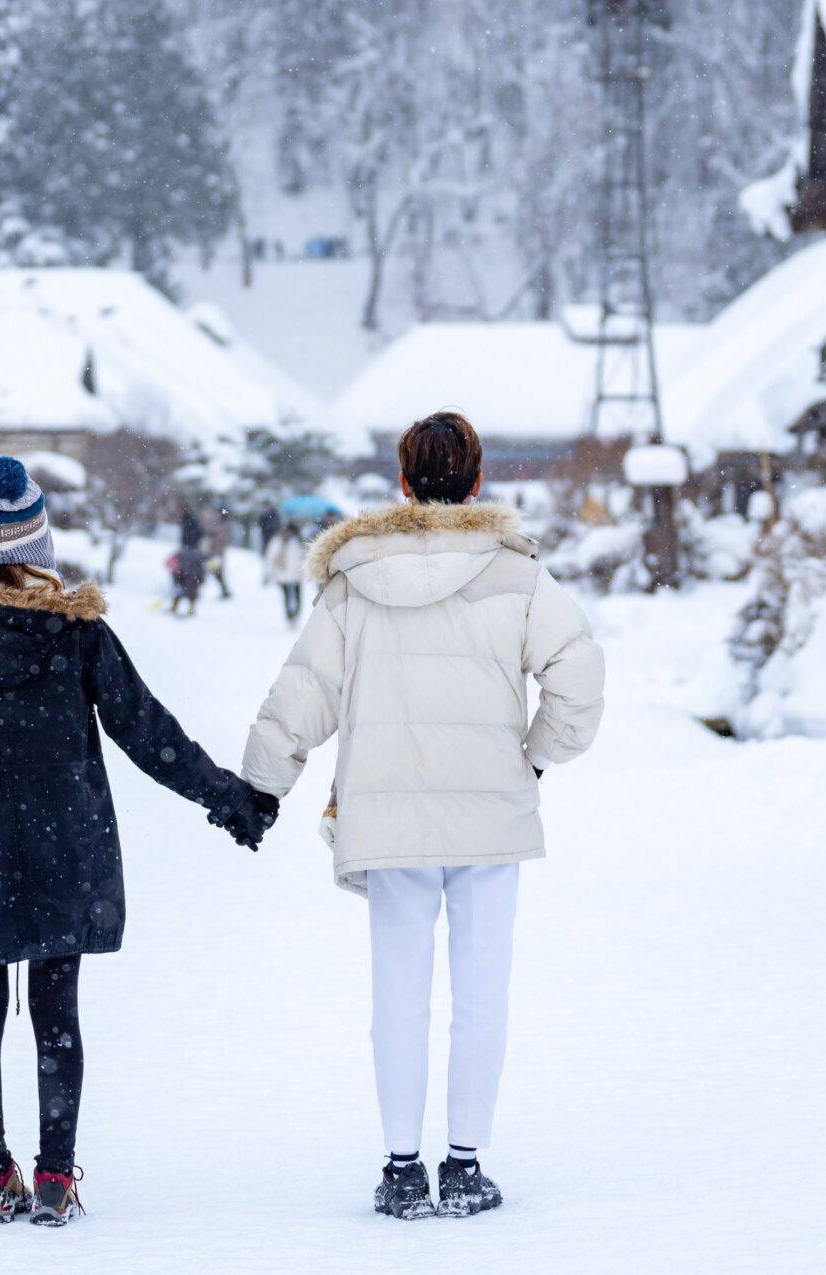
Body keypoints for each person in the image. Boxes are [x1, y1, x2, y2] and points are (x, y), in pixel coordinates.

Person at [238, 411, 604, 1222]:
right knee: (482, 994)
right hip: (490, 816)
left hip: (389, 815)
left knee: (398, 995)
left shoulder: (353, 576)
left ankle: (403, 1168)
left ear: (402, 483)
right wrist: (535, 755)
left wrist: (261, 786)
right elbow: (579, 672)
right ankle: (465, 1164)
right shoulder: (518, 575)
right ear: (478, 482)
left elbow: (304, 692)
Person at [0, 456, 279, 1227]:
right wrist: (227, 797)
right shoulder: (76, 631)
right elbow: (148, 732)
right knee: (56, 1013)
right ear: (38, 540)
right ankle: (50, 1176)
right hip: (60, 849)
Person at [262, 518, 305, 625]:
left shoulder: (290, 540)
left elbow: (270, 557)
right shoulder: (289, 540)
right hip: (288, 573)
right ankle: (292, 616)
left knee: (290, 596)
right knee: (293, 596)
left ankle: (292, 616)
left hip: (288, 573)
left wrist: (268, 573)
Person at [205, 505, 234, 599]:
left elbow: (219, 540)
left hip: (217, 554)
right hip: (215, 553)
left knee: (215, 572)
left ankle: (225, 591)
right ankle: (225, 591)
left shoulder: (222, 526)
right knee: (215, 573)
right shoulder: (218, 525)